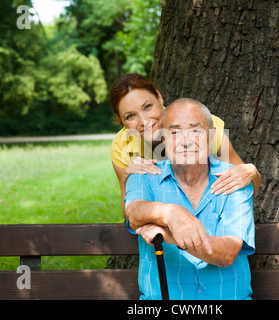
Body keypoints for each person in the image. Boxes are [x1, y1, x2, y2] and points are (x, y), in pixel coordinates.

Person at [125, 98, 255, 300]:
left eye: (195, 131)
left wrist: (169, 235)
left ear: (211, 136)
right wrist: (170, 213)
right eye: (175, 133)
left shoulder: (234, 179)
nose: (185, 141)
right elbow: (134, 212)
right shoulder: (144, 176)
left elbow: (228, 252)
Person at [109, 73, 261, 217]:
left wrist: (251, 171)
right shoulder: (123, 146)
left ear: (159, 98)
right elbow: (127, 212)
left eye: (147, 107)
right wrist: (127, 179)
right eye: (130, 116)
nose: (144, 121)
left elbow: (247, 184)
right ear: (121, 120)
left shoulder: (199, 125)